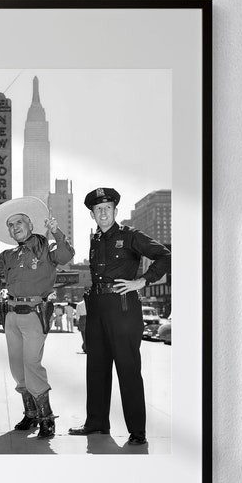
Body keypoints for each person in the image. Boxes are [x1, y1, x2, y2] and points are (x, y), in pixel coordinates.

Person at [0, 196, 75, 439]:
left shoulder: (48, 248)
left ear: (30, 225)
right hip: (11, 315)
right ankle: (31, 413)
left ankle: (47, 418)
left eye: (19, 223)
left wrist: (57, 233)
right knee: (17, 368)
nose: (15, 228)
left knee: (31, 364)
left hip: (35, 314)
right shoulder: (8, 256)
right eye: (10, 226)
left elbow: (66, 256)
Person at [68, 187, 171, 446]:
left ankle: (137, 431)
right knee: (96, 368)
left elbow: (165, 256)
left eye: (107, 208)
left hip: (123, 308)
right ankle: (97, 423)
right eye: (97, 209)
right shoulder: (95, 240)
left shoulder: (130, 236)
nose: (102, 212)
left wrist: (142, 281)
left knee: (128, 370)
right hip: (97, 309)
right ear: (92, 215)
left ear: (115, 211)